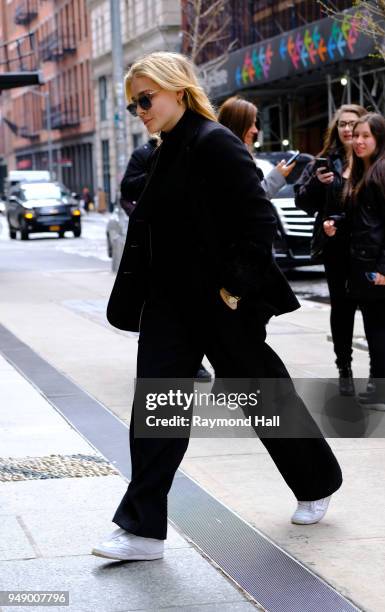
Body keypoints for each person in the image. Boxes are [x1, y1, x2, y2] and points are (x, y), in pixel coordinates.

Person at [92, 51, 342, 562]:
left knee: (264, 396)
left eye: (145, 99)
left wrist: (233, 291)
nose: (138, 110)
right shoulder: (166, 147)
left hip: (220, 302)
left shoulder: (215, 142)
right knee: (157, 411)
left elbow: (256, 224)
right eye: (132, 104)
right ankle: (142, 531)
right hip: (169, 306)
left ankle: (317, 482)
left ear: (177, 90)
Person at [120, 137, 212, 382]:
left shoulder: (210, 143)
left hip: (195, 259)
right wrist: (156, 170)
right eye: (137, 104)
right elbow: (127, 189)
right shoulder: (145, 153)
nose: (140, 111)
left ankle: (196, 363)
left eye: (146, 101)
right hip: (158, 258)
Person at [294, 104, 367, 396]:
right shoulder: (324, 163)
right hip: (336, 245)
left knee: (375, 310)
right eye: (342, 124)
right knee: (342, 308)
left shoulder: (374, 160)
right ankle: (344, 369)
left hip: (368, 246)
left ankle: (377, 372)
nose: (347, 129)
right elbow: (302, 202)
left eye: (352, 123)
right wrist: (315, 183)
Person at [324, 113, 385, 408]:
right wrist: (337, 221)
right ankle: (377, 386)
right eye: (356, 135)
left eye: (366, 136)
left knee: (378, 327)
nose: (358, 141)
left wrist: (383, 269)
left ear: (379, 139)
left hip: (375, 267)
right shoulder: (367, 170)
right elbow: (364, 219)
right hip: (365, 263)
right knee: (375, 325)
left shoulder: (380, 172)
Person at [217, 95, 296, 198]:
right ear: (238, 124)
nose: (255, 130)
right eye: (251, 124)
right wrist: (277, 176)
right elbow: (253, 199)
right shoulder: (231, 159)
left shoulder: (228, 154)